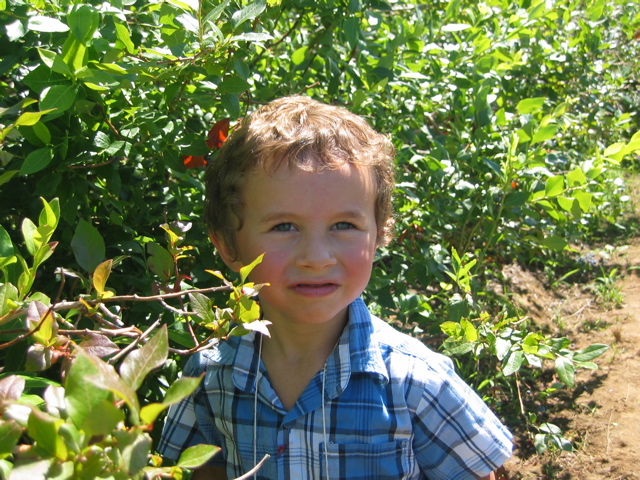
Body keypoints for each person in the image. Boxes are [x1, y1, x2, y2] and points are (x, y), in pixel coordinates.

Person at [158, 96, 513, 479]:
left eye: (344, 225)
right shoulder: (212, 376)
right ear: (228, 245)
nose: (317, 256)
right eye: (284, 227)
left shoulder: (415, 382)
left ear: (379, 234)